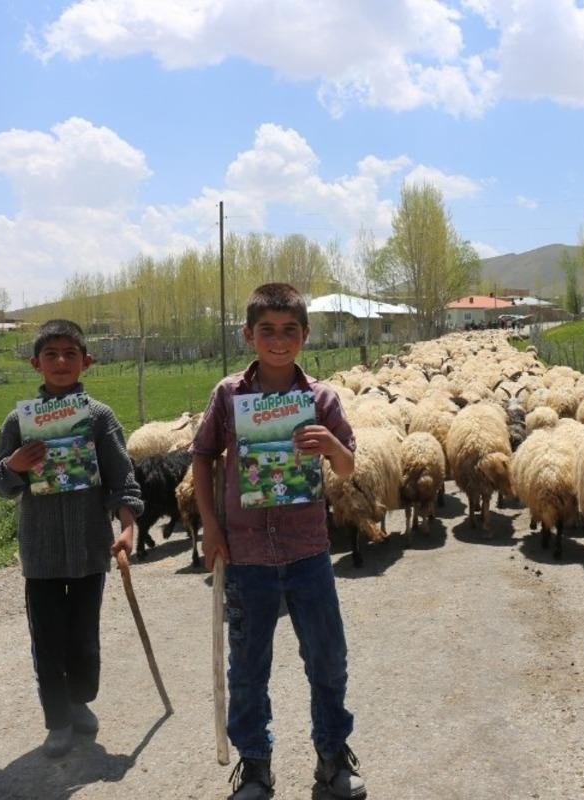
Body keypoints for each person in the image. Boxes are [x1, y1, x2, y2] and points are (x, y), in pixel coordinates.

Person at [191, 283, 364, 800]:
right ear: (249, 335)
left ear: (305, 336)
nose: (279, 340)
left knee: (327, 659)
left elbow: (349, 466)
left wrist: (332, 445)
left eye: (290, 330)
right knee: (247, 667)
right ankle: (255, 765)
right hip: (245, 556)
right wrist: (212, 527)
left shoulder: (321, 399)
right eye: (267, 330)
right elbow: (201, 456)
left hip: (308, 551)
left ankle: (332, 757)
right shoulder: (228, 396)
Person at [0, 319, 143, 758]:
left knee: (83, 638)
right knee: (48, 639)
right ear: (36, 363)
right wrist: (15, 465)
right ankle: (57, 720)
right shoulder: (19, 421)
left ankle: (79, 700)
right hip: (40, 555)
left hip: (91, 550)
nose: (60, 362)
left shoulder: (98, 418)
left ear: (86, 362)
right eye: (50, 355)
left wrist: (128, 526)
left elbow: (122, 479)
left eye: (69, 354)